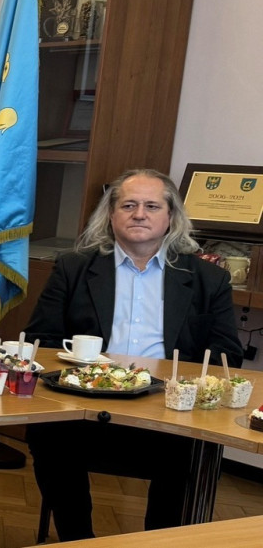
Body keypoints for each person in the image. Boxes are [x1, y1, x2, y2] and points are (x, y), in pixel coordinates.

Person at [25, 168, 242, 541]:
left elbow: (227, 355)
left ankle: (158, 542)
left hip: (168, 409)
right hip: (86, 403)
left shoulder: (208, 279)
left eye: (151, 206)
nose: (139, 214)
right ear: (111, 215)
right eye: (128, 205)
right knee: (48, 436)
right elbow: (40, 341)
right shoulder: (73, 267)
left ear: (170, 217)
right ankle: (78, 540)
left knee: (192, 450)